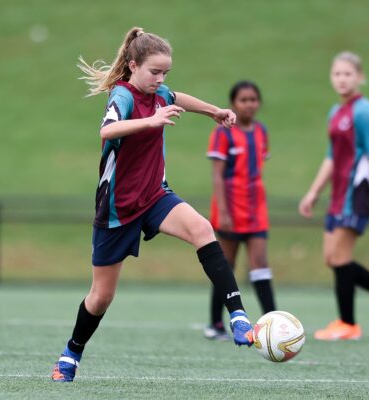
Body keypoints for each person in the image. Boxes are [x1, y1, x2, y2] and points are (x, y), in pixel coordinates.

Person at [51, 27, 254, 382]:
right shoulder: (123, 95)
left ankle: (237, 315)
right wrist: (151, 121)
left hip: (155, 196)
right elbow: (107, 130)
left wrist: (213, 111)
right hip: (117, 208)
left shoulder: (158, 91)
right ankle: (71, 354)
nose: (160, 80)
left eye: (165, 73)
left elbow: (177, 96)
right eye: (154, 72)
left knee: (202, 229)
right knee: (101, 297)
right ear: (133, 65)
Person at [298, 51, 369, 341]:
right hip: (338, 194)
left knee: (339, 257)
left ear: (359, 77)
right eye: (337, 73)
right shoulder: (335, 113)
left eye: (348, 74)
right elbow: (331, 157)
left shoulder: (364, 111)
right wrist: (313, 192)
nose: (342, 79)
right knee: (332, 258)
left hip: (357, 193)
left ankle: (349, 324)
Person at [204, 81, 276, 341]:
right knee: (226, 266)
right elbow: (217, 176)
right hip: (230, 209)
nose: (249, 104)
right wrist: (222, 211)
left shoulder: (261, 132)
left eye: (253, 99)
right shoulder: (223, 133)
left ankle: (272, 323)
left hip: (256, 209)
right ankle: (215, 323)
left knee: (260, 265)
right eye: (243, 100)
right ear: (234, 103)